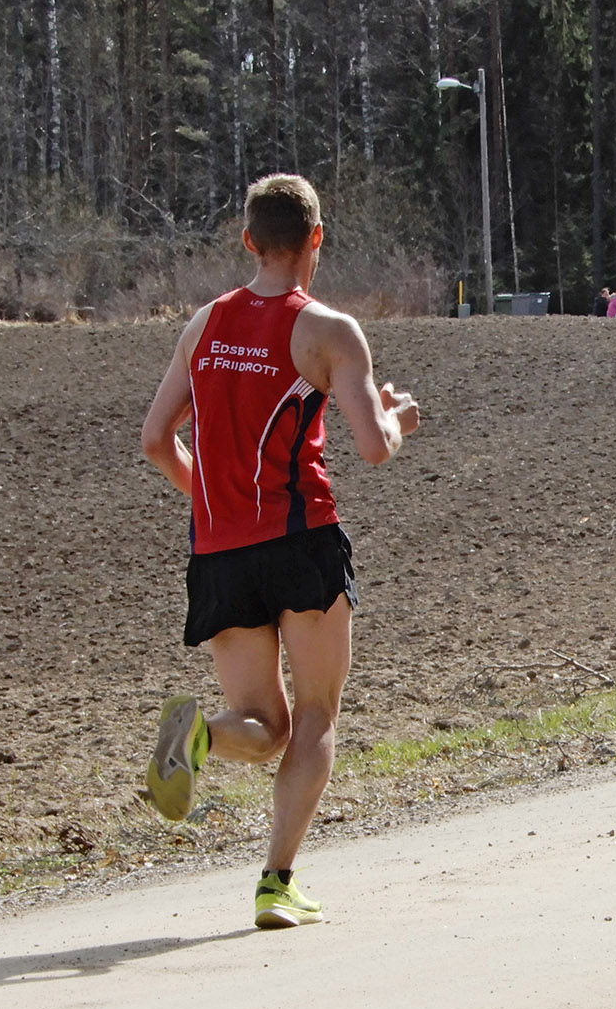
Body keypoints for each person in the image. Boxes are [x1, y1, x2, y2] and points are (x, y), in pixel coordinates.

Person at [140, 173, 420, 929]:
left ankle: (200, 735)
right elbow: (372, 449)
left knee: (261, 724)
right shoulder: (328, 330)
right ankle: (276, 882)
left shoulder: (202, 324)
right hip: (301, 541)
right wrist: (399, 418)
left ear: (248, 242)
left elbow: (153, 439)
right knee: (317, 716)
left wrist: (212, 501)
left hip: (220, 552)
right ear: (316, 241)